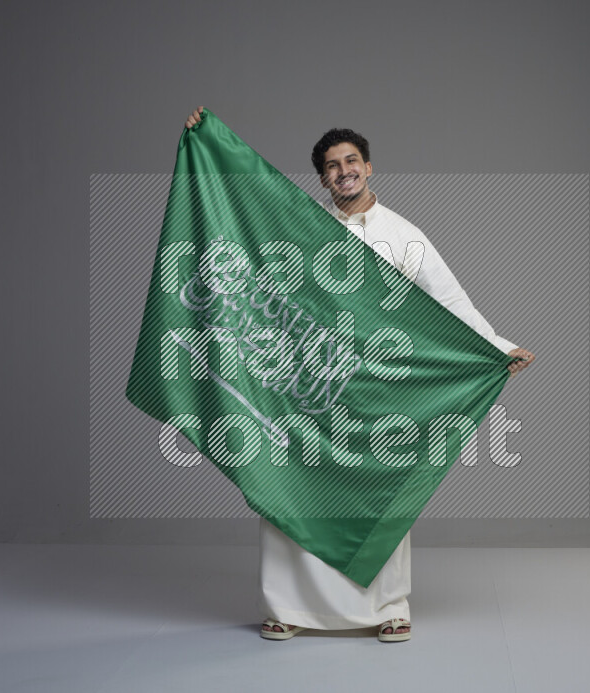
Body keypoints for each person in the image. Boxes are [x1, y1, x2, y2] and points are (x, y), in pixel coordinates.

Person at [184, 107, 536, 642]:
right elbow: (245, 213)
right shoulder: (304, 226)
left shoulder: (403, 235)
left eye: (351, 160)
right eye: (331, 165)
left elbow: (448, 300)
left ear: (369, 167)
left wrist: (496, 347)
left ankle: (387, 608)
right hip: (306, 383)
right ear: (322, 178)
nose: (342, 170)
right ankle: (287, 608)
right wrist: (205, 140)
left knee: (379, 487)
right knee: (290, 481)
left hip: (377, 389)